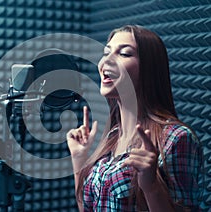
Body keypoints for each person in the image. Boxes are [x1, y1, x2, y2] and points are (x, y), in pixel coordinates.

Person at [67, 25, 203, 211]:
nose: (107, 61)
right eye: (106, 53)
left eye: (123, 53)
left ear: (149, 68)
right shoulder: (110, 137)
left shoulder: (176, 139)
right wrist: (79, 159)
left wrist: (152, 187)